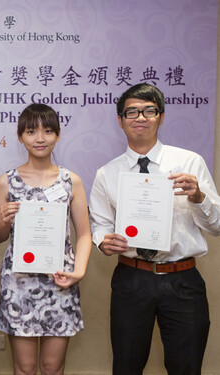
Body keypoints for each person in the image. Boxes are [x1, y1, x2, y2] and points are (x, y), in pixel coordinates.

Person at [89, 83, 220, 375]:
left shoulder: (189, 162)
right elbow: (99, 223)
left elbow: (217, 226)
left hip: (183, 279)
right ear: (121, 120)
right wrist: (102, 240)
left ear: (161, 117)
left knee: (186, 367)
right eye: (132, 111)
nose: (140, 117)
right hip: (131, 279)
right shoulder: (107, 173)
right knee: (126, 365)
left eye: (149, 110)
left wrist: (198, 197)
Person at [0, 103, 92, 375]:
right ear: (20, 136)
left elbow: (84, 234)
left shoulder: (71, 181)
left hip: (60, 281)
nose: (40, 138)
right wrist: (4, 220)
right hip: (19, 283)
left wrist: (78, 271)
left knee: (52, 366)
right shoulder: (6, 182)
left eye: (48, 131)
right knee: (25, 367)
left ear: (58, 135)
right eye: (31, 131)